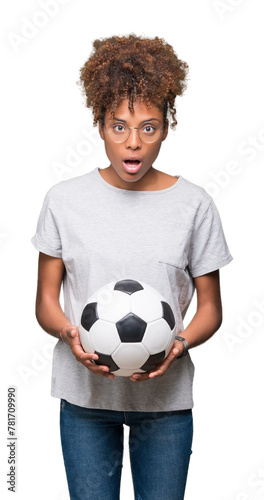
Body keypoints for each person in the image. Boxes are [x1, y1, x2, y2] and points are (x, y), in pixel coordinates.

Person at [31, 34, 233, 500]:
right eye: (118, 126)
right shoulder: (64, 200)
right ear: (99, 125)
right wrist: (69, 334)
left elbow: (211, 309)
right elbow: (45, 302)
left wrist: (179, 343)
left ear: (166, 128)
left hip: (165, 405)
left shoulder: (194, 204)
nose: (133, 142)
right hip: (85, 402)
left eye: (149, 127)